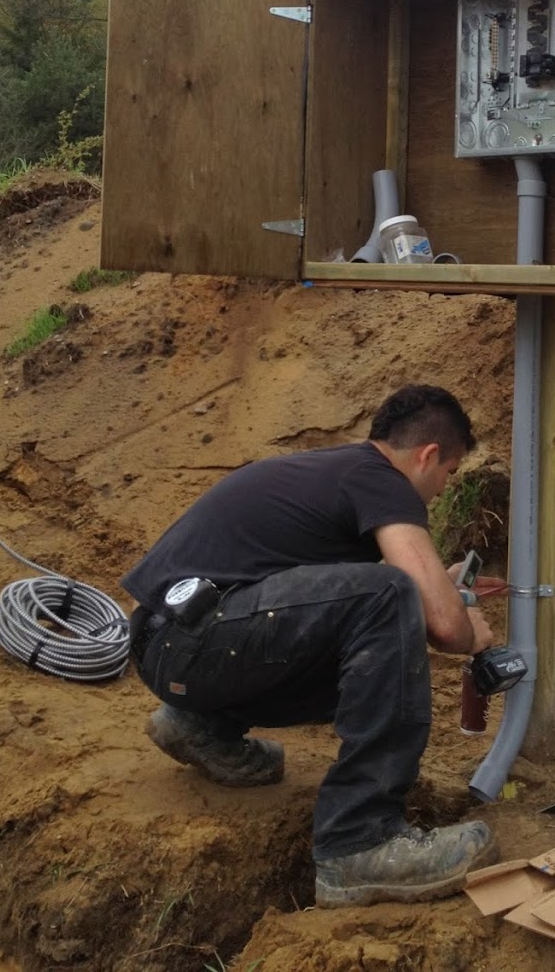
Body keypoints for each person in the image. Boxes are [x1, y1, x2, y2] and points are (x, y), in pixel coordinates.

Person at [122, 383, 499, 908]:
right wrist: (468, 630)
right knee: (391, 595)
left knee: (376, 617)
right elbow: (443, 623)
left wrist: (440, 579)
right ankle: (359, 841)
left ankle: (200, 723)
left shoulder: (337, 474)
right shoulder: (382, 480)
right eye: (447, 476)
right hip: (195, 641)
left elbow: (316, 610)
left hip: (167, 644)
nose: (439, 492)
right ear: (428, 455)